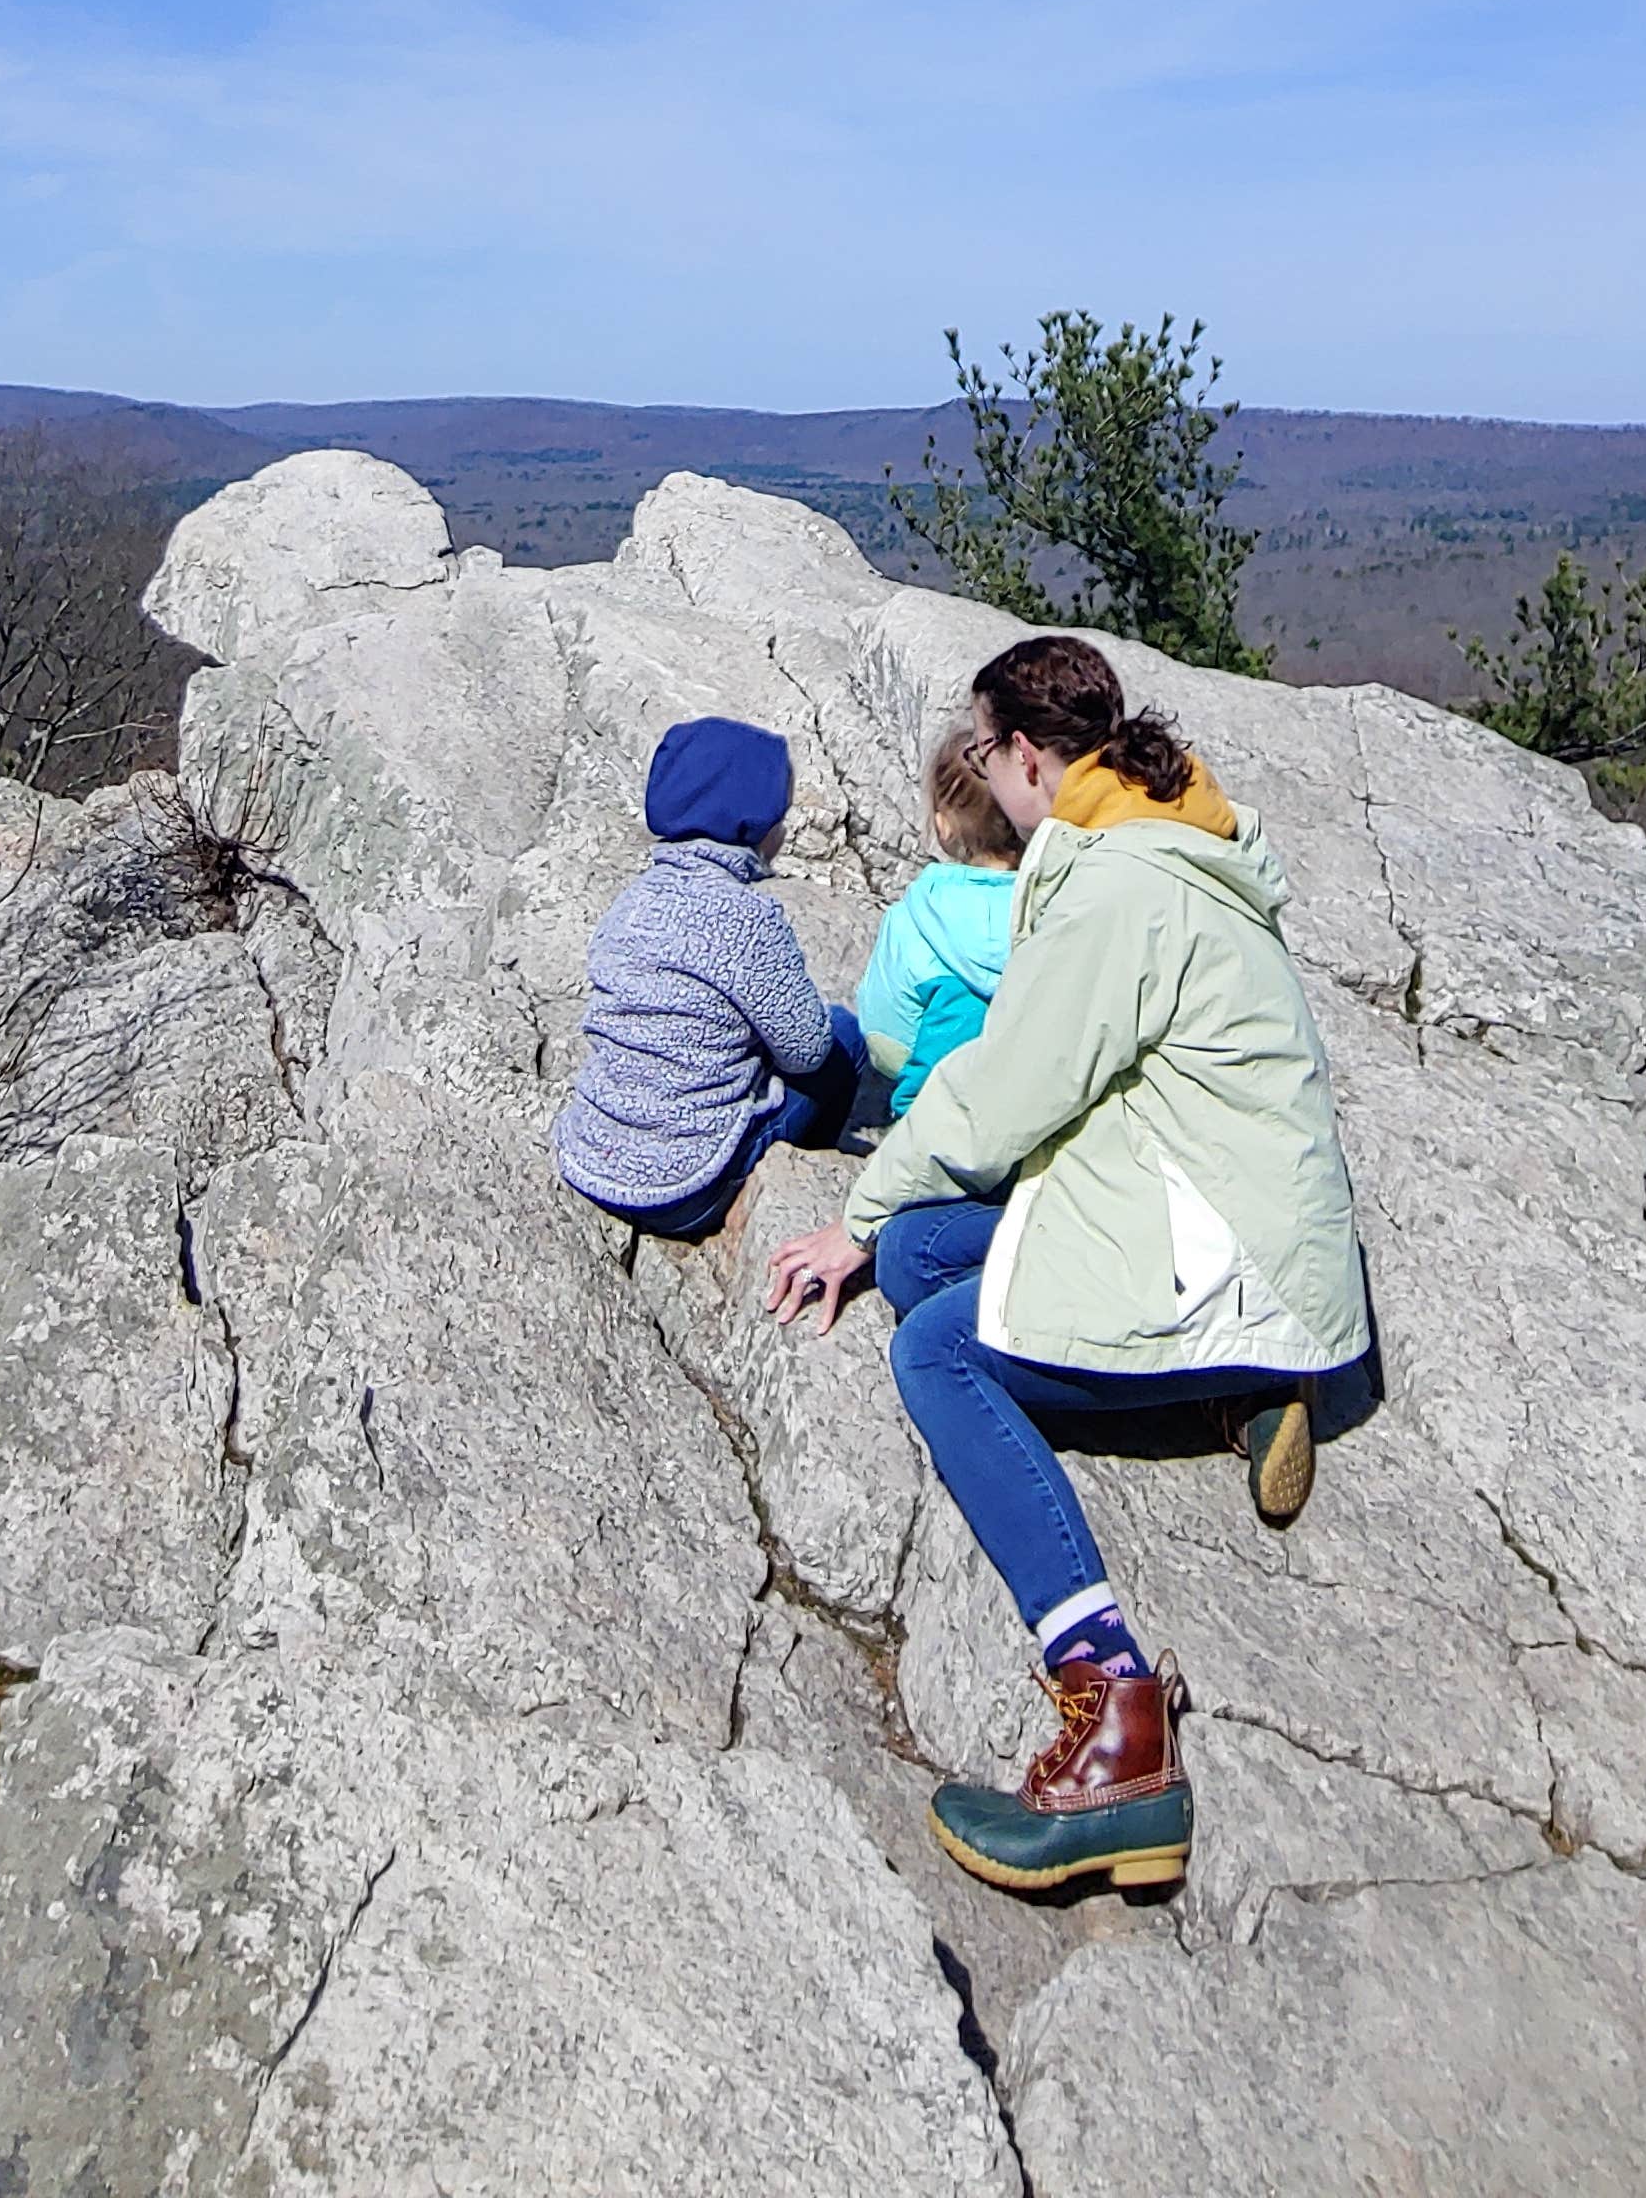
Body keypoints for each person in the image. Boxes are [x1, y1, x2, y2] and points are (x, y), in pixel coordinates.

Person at [765, 633, 1368, 1897]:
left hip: (1214, 1252)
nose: (981, 773)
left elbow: (996, 1097)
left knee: (933, 1347)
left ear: (1025, 756)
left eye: (985, 751)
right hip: (1217, 1216)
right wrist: (893, 1230)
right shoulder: (1155, 836)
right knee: (932, 1249)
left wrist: (851, 1218)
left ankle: (1117, 1727)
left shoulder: (1111, 889)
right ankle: (1232, 1396)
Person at [556, 716, 862, 1239]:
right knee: (844, 1038)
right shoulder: (748, 920)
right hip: (684, 1190)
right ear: (755, 828)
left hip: (589, 1160)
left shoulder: (631, 902)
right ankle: (806, 1174)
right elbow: (807, 1051)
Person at [854, 723, 1022, 1113]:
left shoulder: (934, 892)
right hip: (939, 1055)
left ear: (944, 827)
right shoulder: (1032, 906)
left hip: (890, 1037)